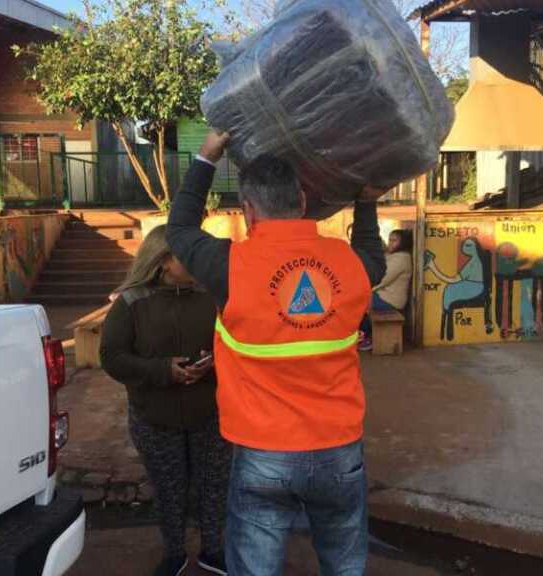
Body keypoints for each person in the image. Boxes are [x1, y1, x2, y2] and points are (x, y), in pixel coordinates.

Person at [166, 131, 386, 576]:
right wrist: (365, 203)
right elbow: (373, 258)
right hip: (338, 450)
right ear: (302, 203)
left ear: (248, 210)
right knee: (345, 567)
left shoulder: (229, 265)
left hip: (263, 454)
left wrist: (207, 157)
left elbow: (180, 231)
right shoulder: (348, 263)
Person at [100, 224, 231, 576]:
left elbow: (237, 342)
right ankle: (174, 554)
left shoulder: (214, 296)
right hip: (154, 419)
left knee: (214, 488)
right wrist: (162, 370)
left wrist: (215, 362)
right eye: (188, 253)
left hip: (211, 415)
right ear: (162, 261)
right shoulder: (130, 302)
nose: (198, 260)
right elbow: (112, 357)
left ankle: (214, 551)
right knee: (170, 491)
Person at [358, 229, 413, 351]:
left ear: (403, 242)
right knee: (358, 301)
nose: (390, 243)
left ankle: (364, 337)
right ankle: (363, 335)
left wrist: (363, 290)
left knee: (357, 303)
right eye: (390, 240)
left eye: (394, 240)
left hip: (390, 300)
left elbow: (382, 279)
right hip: (382, 296)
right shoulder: (394, 256)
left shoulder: (401, 258)